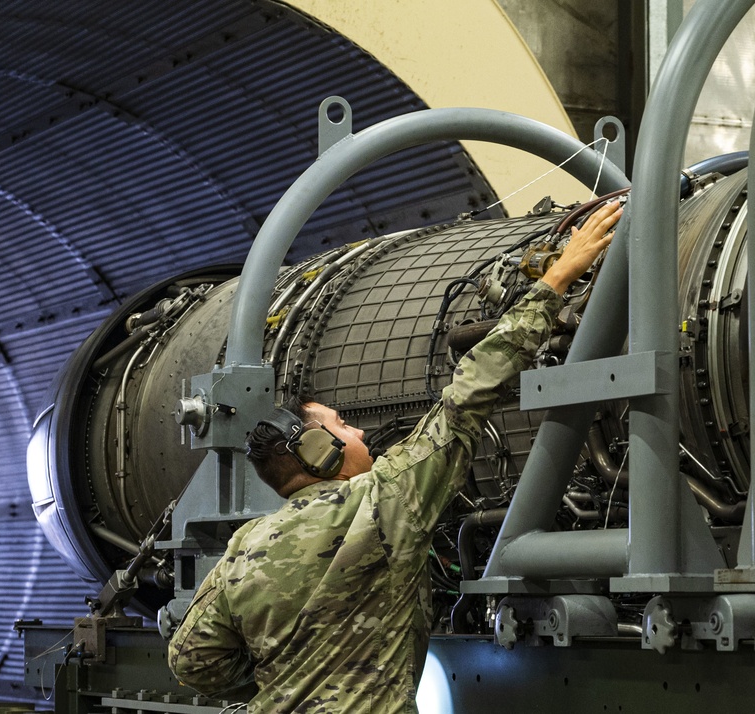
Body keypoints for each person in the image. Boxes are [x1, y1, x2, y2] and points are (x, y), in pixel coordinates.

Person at [167, 201, 624, 712]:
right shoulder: (383, 502)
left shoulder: (245, 546)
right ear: (319, 451)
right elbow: (469, 394)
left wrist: (284, 686)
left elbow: (191, 661)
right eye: (342, 425)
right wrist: (558, 277)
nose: (358, 429)